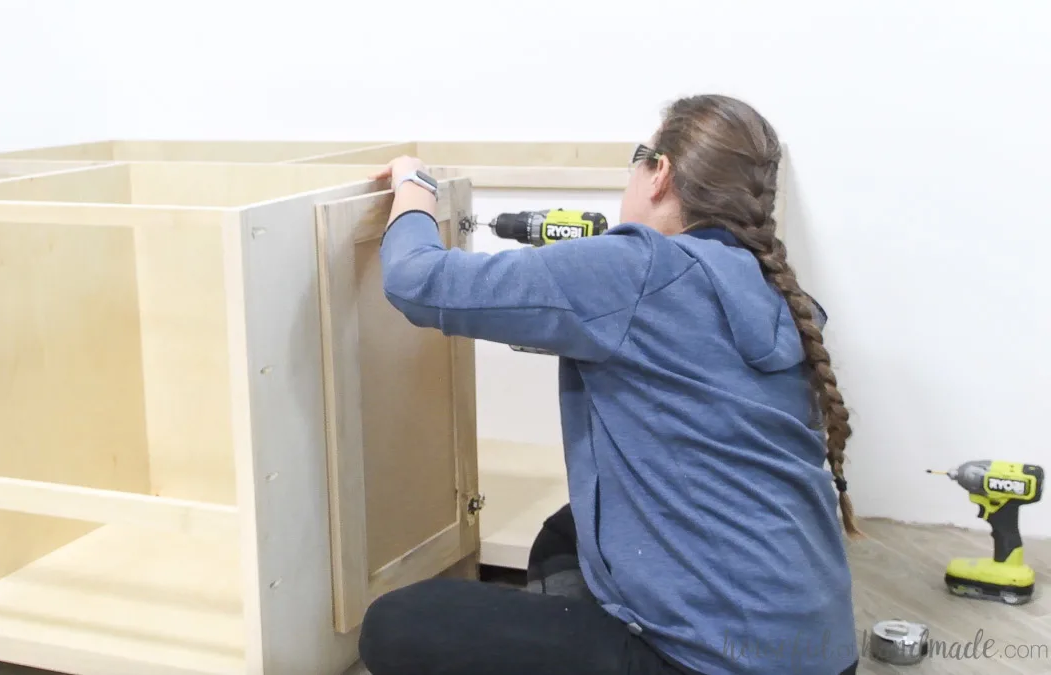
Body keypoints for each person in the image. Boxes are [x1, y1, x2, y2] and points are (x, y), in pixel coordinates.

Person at [356, 94, 861, 675]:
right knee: (563, 535)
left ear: (660, 173)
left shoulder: (637, 269)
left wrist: (414, 184)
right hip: (822, 655)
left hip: (702, 665)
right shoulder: (777, 292)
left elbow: (418, 281)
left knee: (399, 623)